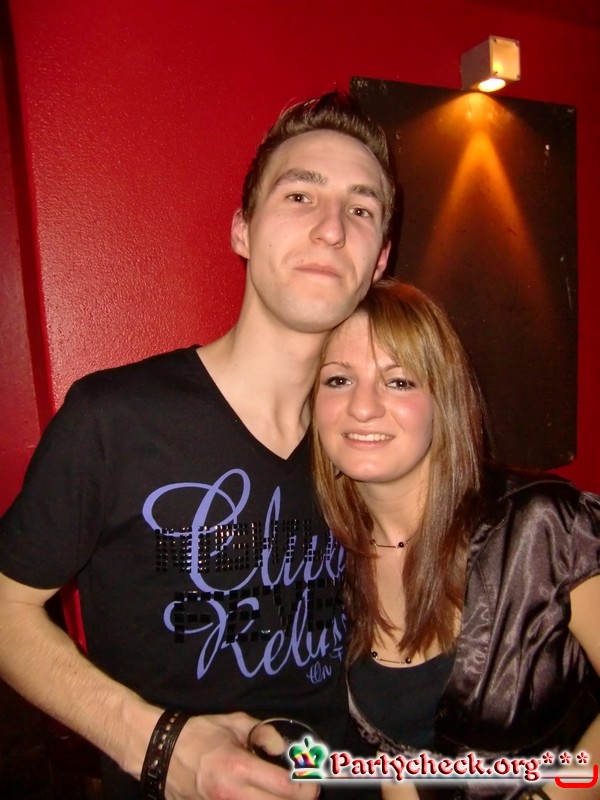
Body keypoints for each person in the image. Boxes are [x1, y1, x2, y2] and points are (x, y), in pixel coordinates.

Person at [0, 91, 395, 800]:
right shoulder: (115, 420)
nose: (333, 228)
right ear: (242, 230)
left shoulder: (376, 441)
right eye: (300, 195)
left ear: (380, 261)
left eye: (361, 209)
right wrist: (159, 747)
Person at [311, 278, 600, 800]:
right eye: (338, 380)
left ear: (442, 399)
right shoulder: (327, 561)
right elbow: (394, 761)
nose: (362, 406)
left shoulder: (541, 526)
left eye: (399, 381)